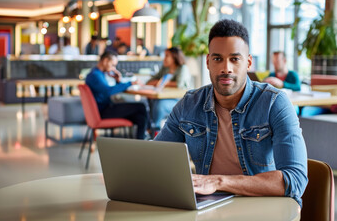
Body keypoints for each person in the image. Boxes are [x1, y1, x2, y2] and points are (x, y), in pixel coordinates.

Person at [154, 19, 308, 207]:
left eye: (235, 59)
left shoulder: (274, 103)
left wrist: (219, 182)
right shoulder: (189, 104)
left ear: (248, 62)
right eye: (218, 58)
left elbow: (295, 180)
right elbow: (155, 158)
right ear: (208, 62)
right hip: (209, 206)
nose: (226, 68)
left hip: (264, 206)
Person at [86, 51, 148, 139]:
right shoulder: (95, 75)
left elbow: (106, 90)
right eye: (113, 65)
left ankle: (141, 143)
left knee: (140, 117)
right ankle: (149, 132)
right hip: (103, 111)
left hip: (105, 109)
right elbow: (108, 91)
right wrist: (131, 83)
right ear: (105, 61)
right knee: (141, 106)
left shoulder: (97, 74)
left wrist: (117, 81)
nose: (113, 68)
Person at [146, 47, 192, 129]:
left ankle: (154, 129)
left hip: (180, 101)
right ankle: (152, 129)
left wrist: (162, 82)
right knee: (152, 101)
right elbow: (149, 82)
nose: (164, 58)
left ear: (174, 57)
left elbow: (179, 85)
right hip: (163, 98)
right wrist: (162, 82)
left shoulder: (182, 68)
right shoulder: (165, 68)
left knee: (160, 105)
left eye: (167, 56)